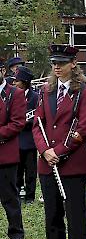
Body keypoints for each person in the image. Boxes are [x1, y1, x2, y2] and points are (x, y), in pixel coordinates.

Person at [32, 44, 86, 239]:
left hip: (72, 165)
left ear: (73, 64)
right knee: (52, 218)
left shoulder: (85, 91)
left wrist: (59, 151)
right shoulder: (46, 90)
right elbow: (37, 123)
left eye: (61, 63)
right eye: (54, 63)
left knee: (76, 217)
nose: (57, 67)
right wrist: (45, 151)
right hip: (47, 164)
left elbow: (84, 127)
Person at [0, 64, 27, 239]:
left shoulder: (14, 94)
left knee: (9, 195)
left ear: (2, 71)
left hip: (5, 153)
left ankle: (16, 232)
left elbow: (18, 123)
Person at [14, 66, 38, 205]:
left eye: (17, 81)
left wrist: (25, 121)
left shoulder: (35, 97)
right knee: (17, 170)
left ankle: (30, 196)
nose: (15, 83)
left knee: (30, 170)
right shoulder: (13, 95)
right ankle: (17, 193)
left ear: (24, 81)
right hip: (16, 139)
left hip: (29, 140)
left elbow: (38, 116)